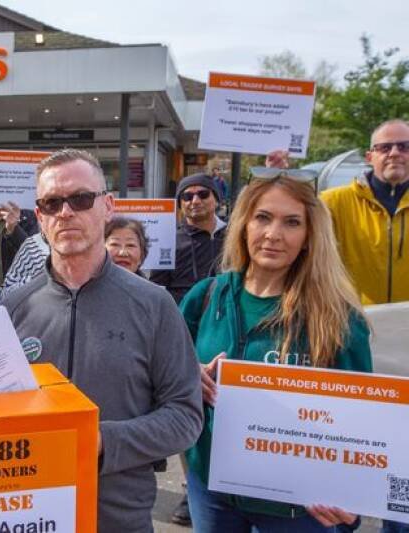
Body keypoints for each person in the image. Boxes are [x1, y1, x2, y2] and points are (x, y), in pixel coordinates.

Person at [2, 149, 203, 533]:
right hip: (29, 513)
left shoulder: (154, 304)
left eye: (80, 199)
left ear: (107, 206)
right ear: (39, 216)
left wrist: (102, 442)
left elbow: (185, 416)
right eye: (52, 203)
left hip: (119, 516)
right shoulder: (12, 308)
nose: (66, 212)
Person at [179, 168, 370, 533]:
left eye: (292, 222)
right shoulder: (205, 297)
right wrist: (192, 376)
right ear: (243, 225)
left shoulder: (338, 317)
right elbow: (165, 373)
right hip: (212, 492)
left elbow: (360, 418)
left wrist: (352, 497)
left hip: (298, 508)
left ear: (309, 237)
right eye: (262, 217)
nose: (273, 234)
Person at [319, 119, 409, 304]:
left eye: (404, 146)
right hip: (353, 322)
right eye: (385, 148)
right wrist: (273, 174)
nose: (394, 153)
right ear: (369, 157)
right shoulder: (332, 202)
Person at [150, 173, 226, 305]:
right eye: (187, 196)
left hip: (224, 317)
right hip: (182, 320)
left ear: (217, 199)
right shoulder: (168, 239)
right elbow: (157, 288)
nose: (195, 201)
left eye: (203, 194)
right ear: (180, 204)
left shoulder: (234, 236)